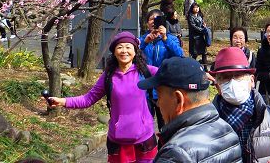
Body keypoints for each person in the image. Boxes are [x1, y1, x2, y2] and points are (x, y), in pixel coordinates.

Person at [47, 32, 159, 163]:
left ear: (135, 51)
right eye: (120, 47)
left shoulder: (146, 71)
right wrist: (62, 101)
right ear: (114, 52)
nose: (124, 51)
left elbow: (171, 75)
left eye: (128, 47)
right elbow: (88, 99)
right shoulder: (108, 76)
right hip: (119, 140)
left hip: (145, 137)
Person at [210, 47, 270, 163]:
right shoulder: (207, 125)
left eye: (238, 75)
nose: (232, 83)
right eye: (225, 78)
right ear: (217, 86)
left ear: (252, 81)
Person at [138, 56, 243, 163]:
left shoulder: (175, 153)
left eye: (159, 95)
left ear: (179, 100)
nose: (158, 103)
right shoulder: (228, 130)